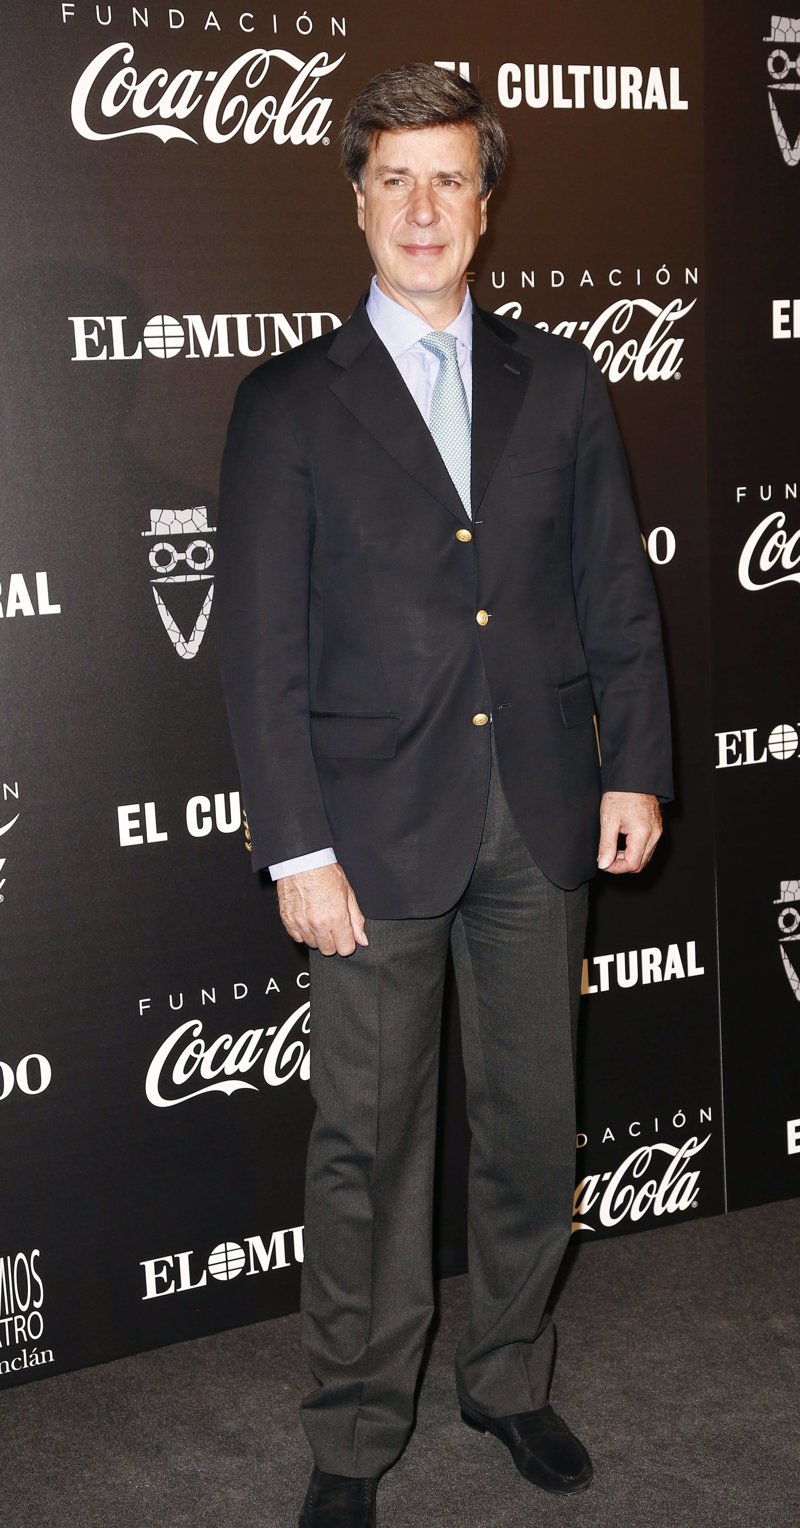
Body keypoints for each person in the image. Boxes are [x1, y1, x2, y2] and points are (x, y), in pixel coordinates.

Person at [216, 63, 672, 1528]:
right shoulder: (287, 402)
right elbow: (259, 651)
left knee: (535, 1125)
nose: (424, 209)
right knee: (370, 1145)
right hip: (366, 835)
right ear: (358, 201)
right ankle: (354, 1435)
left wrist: (636, 767)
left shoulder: (563, 381)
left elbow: (614, 594)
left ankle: (509, 1374)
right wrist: (295, 846)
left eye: (450, 181)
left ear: (487, 204)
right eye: (396, 180)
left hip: (541, 811)